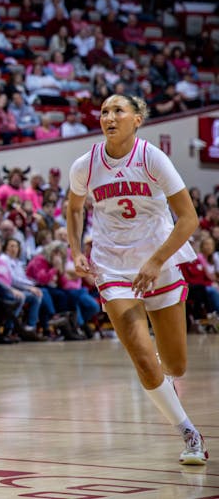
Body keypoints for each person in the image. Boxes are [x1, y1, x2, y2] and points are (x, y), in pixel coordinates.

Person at [66, 94, 207, 465]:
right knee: (144, 361)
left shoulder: (152, 158)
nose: (109, 117)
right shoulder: (86, 164)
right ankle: (190, 434)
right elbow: (74, 207)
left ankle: (166, 376)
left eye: (118, 111)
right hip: (112, 268)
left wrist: (157, 260)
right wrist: (75, 250)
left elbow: (189, 219)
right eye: (104, 112)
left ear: (138, 119)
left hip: (157, 263)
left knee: (175, 366)